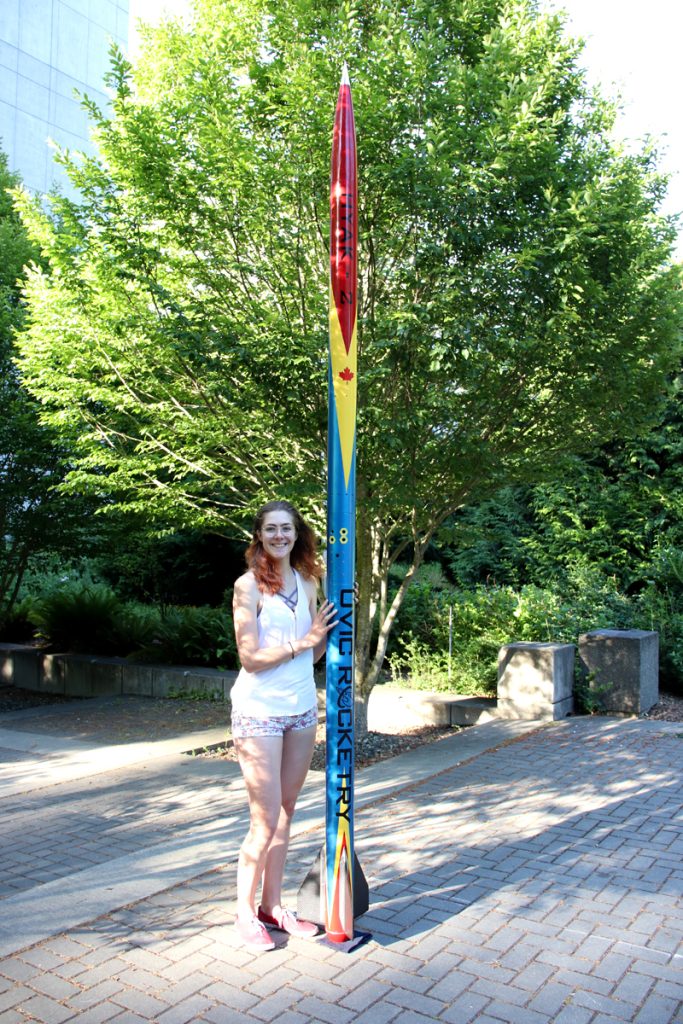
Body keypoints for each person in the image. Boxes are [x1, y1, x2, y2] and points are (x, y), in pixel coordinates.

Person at [230, 499, 337, 951]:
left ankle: (271, 906)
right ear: (259, 534)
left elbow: (312, 654)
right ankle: (243, 912)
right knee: (264, 819)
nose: (279, 536)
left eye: (287, 528)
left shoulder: (308, 581)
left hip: (301, 707)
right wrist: (303, 641)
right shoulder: (247, 586)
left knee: (287, 811)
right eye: (271, 528)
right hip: (259, 711)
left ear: (297, 534)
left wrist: (326, 632)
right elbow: (250, 658)